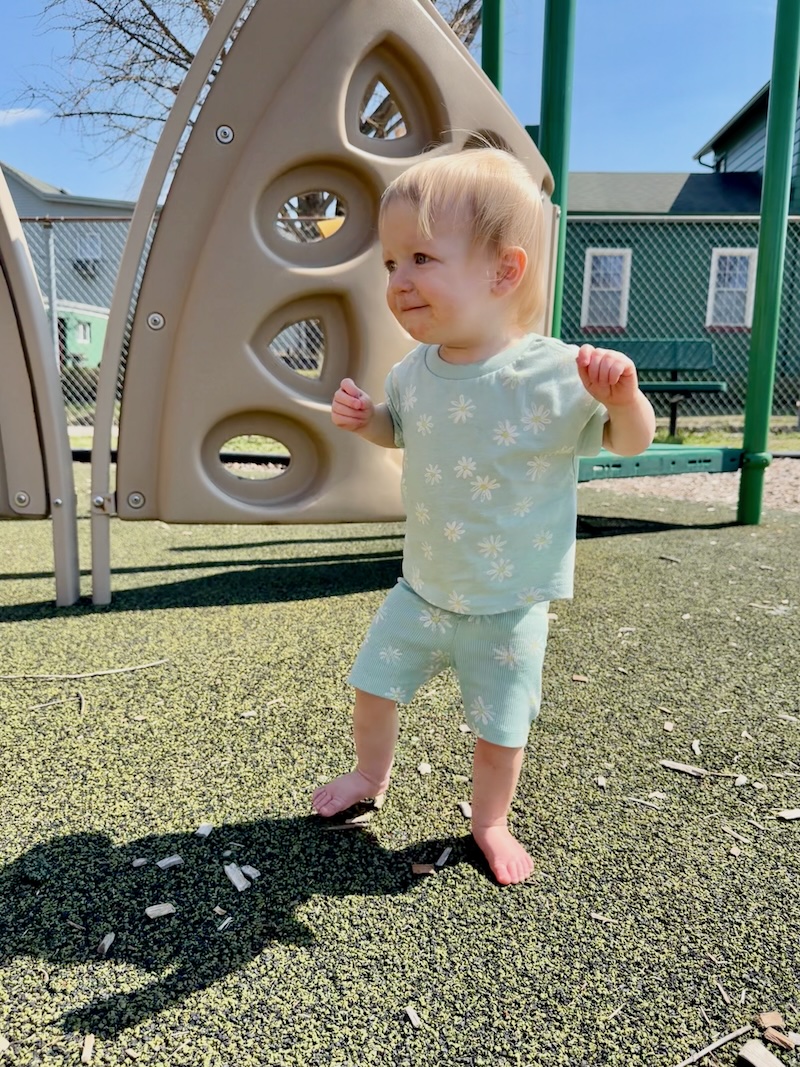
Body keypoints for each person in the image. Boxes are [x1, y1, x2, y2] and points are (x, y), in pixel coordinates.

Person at [312, 147, 655, 885]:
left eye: (422, 257)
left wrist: (624, 400)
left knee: (500, 728)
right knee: (373, 686)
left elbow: (627, 444)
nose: (399, 280)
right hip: (424, 586)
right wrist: (366, 417)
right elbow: (396, 427)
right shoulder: (414, 370)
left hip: (507, 603)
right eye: (391, 262)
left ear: (504, 272)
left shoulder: (556, 373)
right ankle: (370, 776)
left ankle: (489, 819)